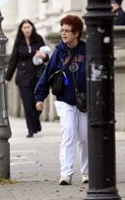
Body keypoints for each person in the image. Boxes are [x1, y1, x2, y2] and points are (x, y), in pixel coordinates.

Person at [34, 15, 88, 186]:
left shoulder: (87, 50)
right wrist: (40, 97)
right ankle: (66, 173)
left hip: (84, 102)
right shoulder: (59, 51)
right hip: (64, 100)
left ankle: (87, 173)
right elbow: (47, 74)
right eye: (62, 30)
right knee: (69, 133)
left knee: (86, 138)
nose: (63, 34)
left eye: (67, 31)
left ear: (77, 33)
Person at [5, 19, 48, 138]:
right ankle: (31, 129)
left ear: (32, 28)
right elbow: (13, 60)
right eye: (24, 28)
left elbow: (46, 56)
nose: (27, 29)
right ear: (21, 30)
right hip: (23, 77)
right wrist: (7, 78)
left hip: (37, 77)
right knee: (28, 105)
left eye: (29, 27)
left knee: (38, 104)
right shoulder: (18, 43)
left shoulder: (38, 39)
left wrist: (43, 56)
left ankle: (36, 121)